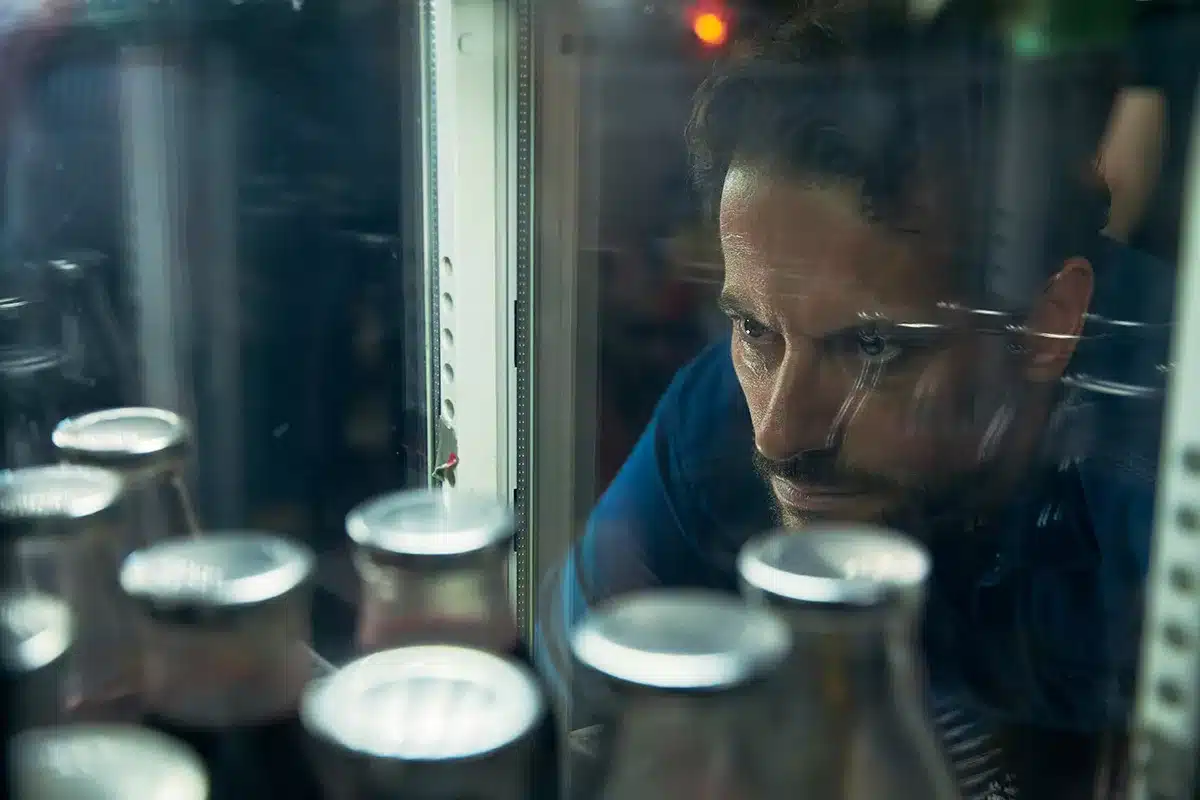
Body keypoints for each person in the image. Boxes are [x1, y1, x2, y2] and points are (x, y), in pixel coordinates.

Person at [535, 14, 1175, 798]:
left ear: (1047, 325)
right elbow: (566, 705)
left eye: (872, 347)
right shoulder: (721, 416)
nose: (780, 433)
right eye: (754, 330)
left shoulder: (1158, 481)